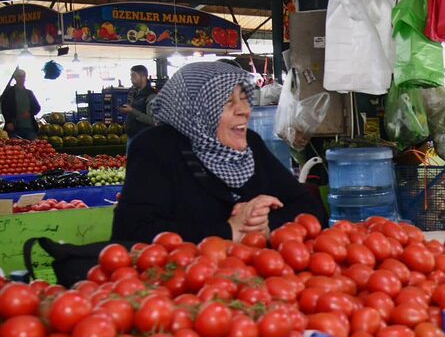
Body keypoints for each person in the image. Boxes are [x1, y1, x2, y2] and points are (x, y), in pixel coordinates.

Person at [112, 61, 326, 244]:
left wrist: (264, 225)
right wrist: (228, 231)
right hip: (187, 284)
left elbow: (310, 207)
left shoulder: (252, 145)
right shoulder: (155, 147)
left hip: (256, 281)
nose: (243, 110)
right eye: (227, 102)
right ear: (194, 108)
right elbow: (133, 232)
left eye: (244, 99)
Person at [120, 65, 157, 142]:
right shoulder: (134, 92)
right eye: (131, 76)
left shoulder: (151, 96)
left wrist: (132, 111)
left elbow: (153, 120)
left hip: (144, 140)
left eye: (134, 76)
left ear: (143, 77)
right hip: (132, 137)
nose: (131, 78)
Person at [0, 69, 40, 139]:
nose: (21, 78)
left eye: (23, 76)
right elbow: (4, 108)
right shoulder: (9, 92)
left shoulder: (29, 93)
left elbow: (37, 107)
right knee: (15, 148)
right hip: (14, 128)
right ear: (15, 78)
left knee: (34, 148)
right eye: (19, 76)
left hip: (29, 128)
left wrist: (29, 113)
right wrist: (8, 121)